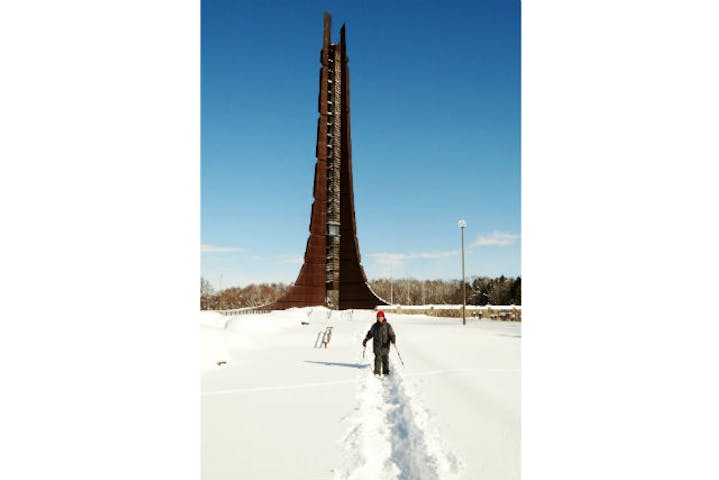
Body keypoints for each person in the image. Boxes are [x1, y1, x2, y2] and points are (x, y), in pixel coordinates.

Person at [362, 310, 396, 375]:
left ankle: (386, 372)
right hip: (377, 346)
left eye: (381, 316)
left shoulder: (387, 326)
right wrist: (366, 339)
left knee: (385, 359)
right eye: (378, 316)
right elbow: (370, 334)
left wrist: (393, 339)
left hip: (385, 346)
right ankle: (377, 372)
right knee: (377, 359)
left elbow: (392, 334)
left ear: (383, 317)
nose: (380, 318)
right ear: (377, 317)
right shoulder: (374, 326)